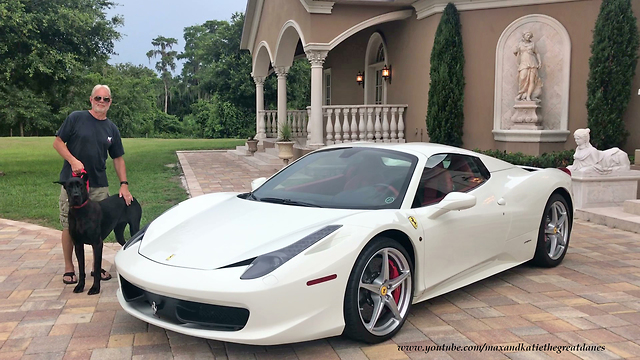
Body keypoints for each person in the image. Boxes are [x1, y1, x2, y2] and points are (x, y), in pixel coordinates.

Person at [53, 84, 134, 284]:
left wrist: (123, 184)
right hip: (73, 184)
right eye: (98, 98)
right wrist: (73, 161)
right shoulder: (76, 118)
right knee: (69, 225)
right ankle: (69, 268)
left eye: (106, 99)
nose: (101, 102)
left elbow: (118, 158)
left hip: (98, 185)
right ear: (91, 99)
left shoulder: (111, 128)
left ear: (110, 102)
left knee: (98, 227)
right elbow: (58, 142)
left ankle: (95, 269)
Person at [514, 31, 543, 101]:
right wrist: (516, 50)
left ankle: (528, 96)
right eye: (527, 35)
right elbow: (515, 53)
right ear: (524, 36)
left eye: (530, 35)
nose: (528, 36)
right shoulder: (520, 44)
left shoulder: (533, 44)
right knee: (522, 77)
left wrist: (539, 62)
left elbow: (537, 53)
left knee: (531, 80)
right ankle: (521, 93)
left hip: (533, 63)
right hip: (523, 63)